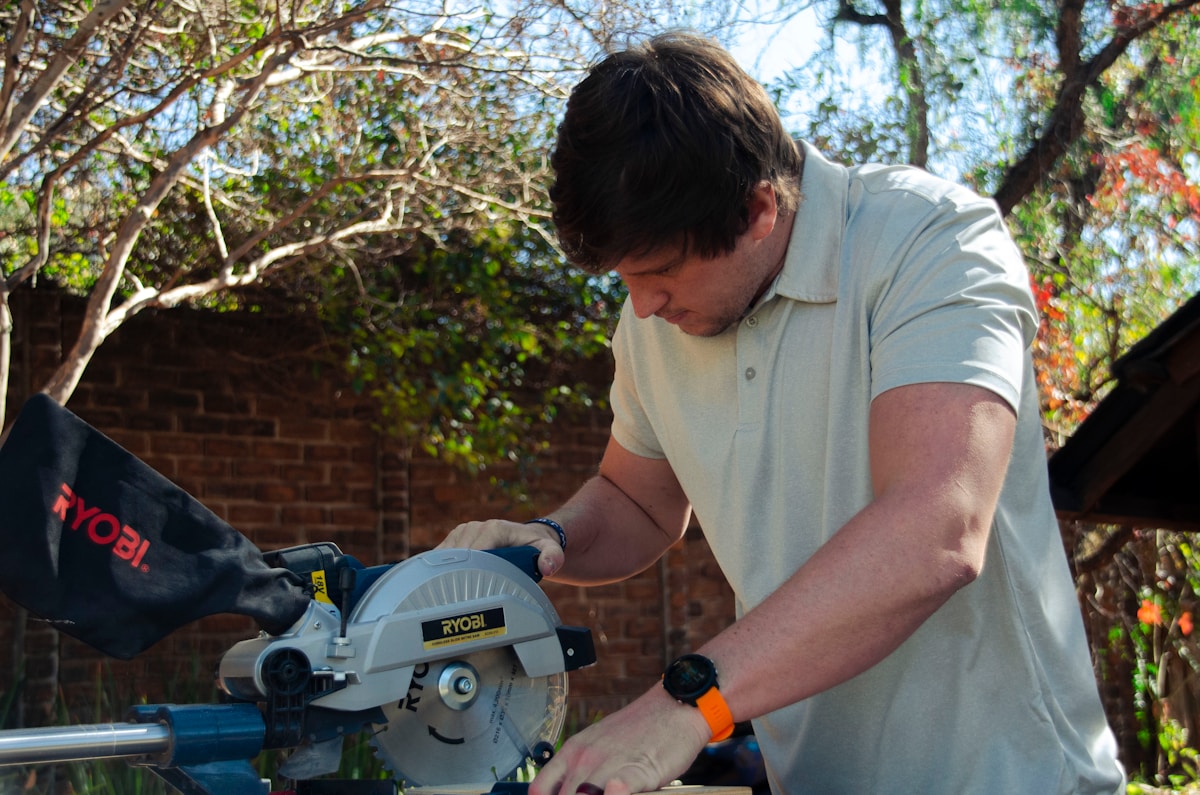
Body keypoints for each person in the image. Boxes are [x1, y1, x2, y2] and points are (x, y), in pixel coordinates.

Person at [440, 31, 1125, 795]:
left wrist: (687, 702)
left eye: (661, 272)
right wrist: (550, 538)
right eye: (625, 280)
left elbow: (938, 525)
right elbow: (637, 499)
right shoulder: (651, 326)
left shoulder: (931, 243)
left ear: (758, 208)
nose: (641, 305)